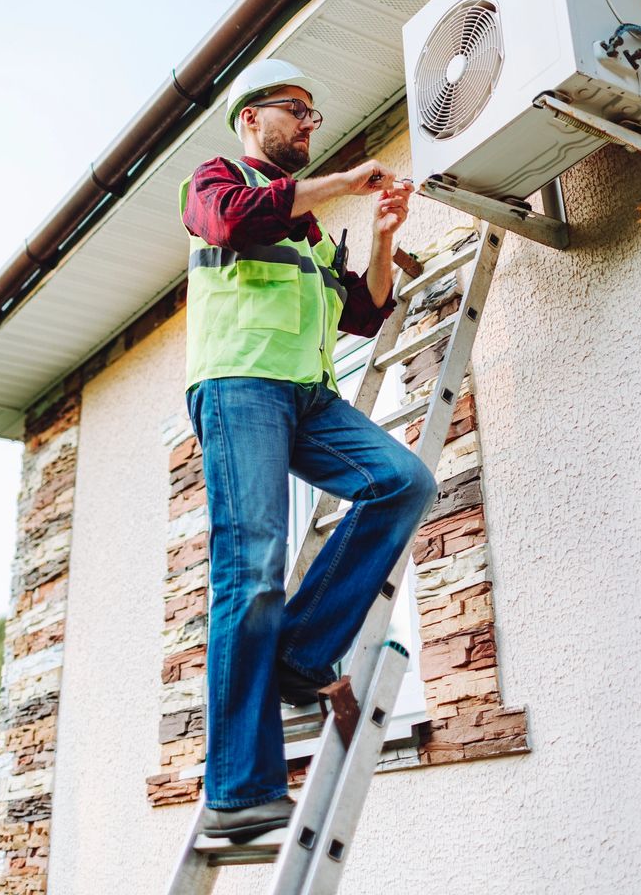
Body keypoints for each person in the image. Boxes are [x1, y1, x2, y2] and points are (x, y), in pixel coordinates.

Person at [179, 57, 437, 842]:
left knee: (402, 480)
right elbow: (231, 223)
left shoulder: (314, 231)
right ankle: (236, 790)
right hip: (240, 387)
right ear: (252, 118)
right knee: (252, 568)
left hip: (308, 397)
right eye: (298, 109)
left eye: (314, 112)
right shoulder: (215, 178)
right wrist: (342, 182)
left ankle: (299, 656)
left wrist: (386, 237)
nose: (310, 123)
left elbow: (363, 312)